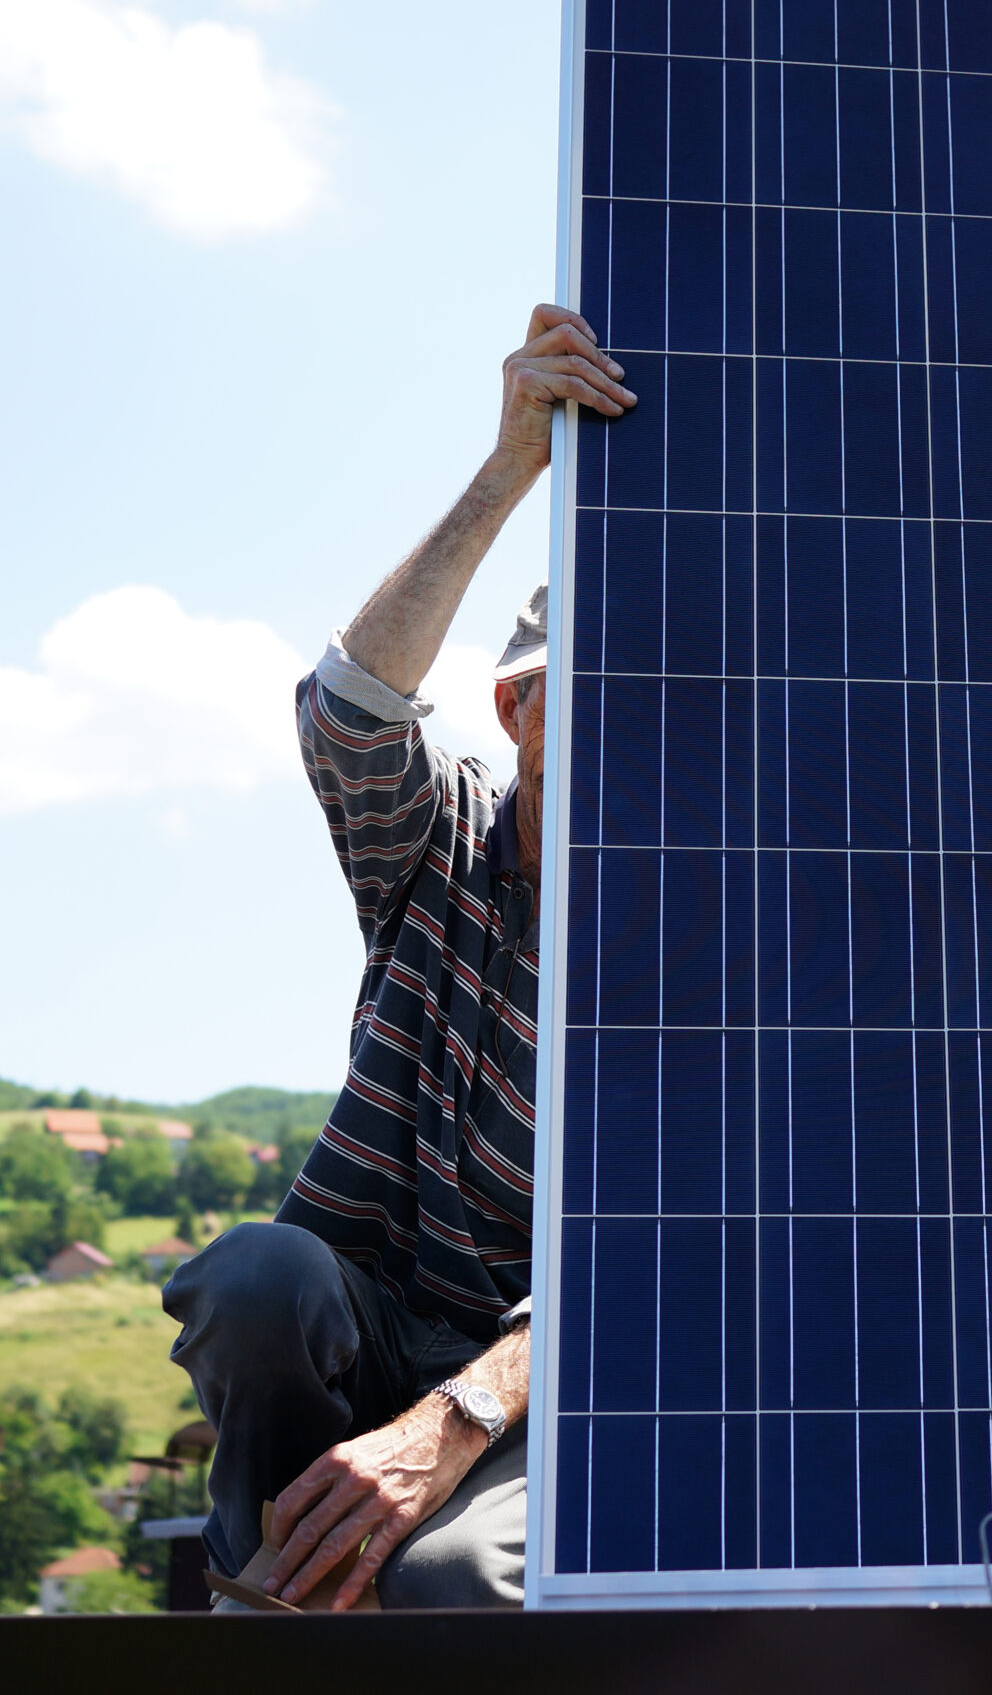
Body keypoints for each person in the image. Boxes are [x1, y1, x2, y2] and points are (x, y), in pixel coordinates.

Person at [161, 306, 634, 1609]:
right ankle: (284, 1571)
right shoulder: (445, 843)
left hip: (566, 1370)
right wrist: (510, 467)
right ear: (518, 706)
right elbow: (352, 712)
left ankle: (370, 1571)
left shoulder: (707, 928)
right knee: (262, 1274)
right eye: (597, 686)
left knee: (454, 1580)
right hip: (381, 1326)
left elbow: (661, 1259)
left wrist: (463, 1411)